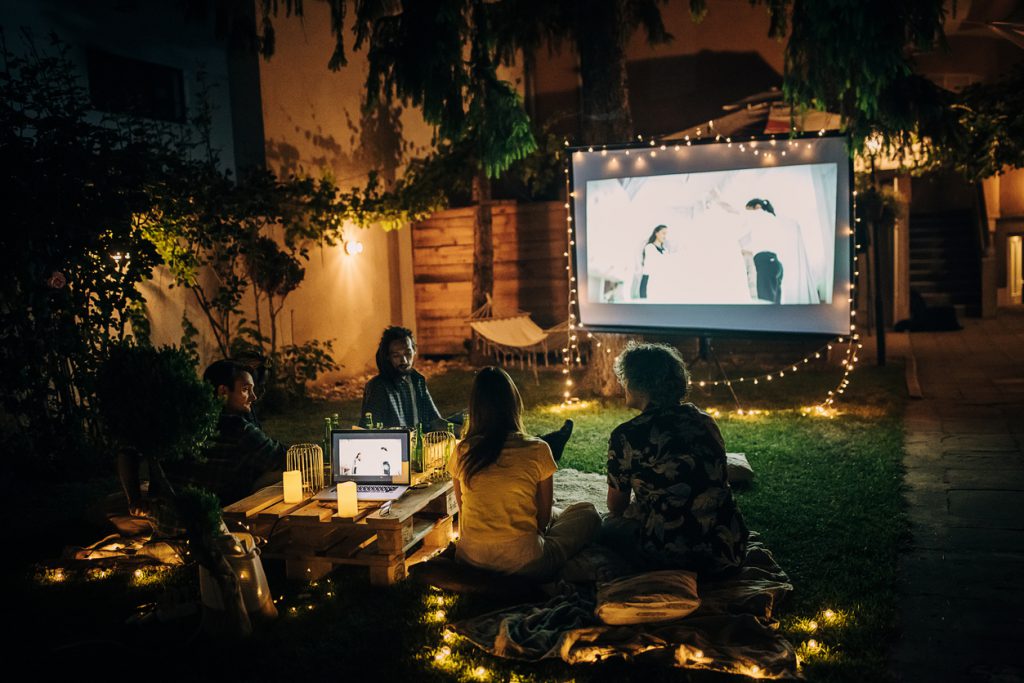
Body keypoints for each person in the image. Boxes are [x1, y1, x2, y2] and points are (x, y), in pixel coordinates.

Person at [601, 342, 748, 576]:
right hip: (728, 550)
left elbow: (616, 506)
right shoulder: (704, 421)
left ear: (638, 383)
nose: (622, 384)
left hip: (667, 555)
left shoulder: (627, 435)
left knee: (604, 526)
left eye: (624, 378)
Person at [447, 367, 601, 580]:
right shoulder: (538, 449)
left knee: (553, 511)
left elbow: (463, 510)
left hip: (470, 559)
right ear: (514, 404)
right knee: (588, 512)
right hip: (525, 563)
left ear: (475, 408)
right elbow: (542, 521)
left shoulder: (462, 451)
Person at [362, 326, 575, 458]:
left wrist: (466, 427)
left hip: (429, 435)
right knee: (480, 431)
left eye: (408, 352)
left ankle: (539, 442)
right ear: (387, 357)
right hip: (412, 450)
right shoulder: (379, 387)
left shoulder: (416, 379)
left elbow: (435, 420)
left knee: (483, 414)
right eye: (396, 355)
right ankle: (539, 446)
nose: (404, 359)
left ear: (414, 351)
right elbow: (372, 435)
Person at [163, 359, 287, 504]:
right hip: (216, 511)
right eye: (245, 390)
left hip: (175, 508)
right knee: (291, 472)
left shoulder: (187, 420)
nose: (254, 397)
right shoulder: (237, 428)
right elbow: (282, 457)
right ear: (223, 391)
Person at [638, 224, 668, 299]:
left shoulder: (665, 251)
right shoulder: (650, 248)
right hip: (650, 283)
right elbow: (649, 269)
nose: (665, 236)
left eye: (666, 234)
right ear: (657, 233)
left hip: (662, 286)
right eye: (663, 233)